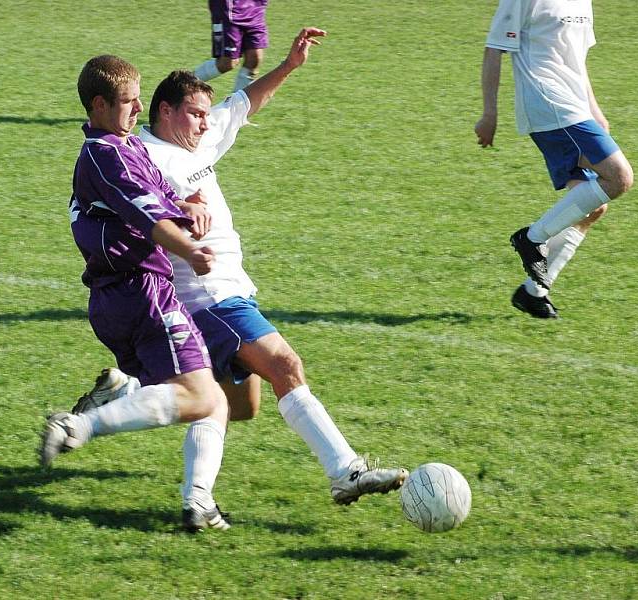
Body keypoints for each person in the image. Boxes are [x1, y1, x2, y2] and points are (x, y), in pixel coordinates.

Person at [73, 27, 408, 522]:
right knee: (285, 367)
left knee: (230, 405)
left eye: (208, 115)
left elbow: (242, 104)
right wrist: (186, 220)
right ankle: (346, 471)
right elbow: (143, 208)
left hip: (227, 292)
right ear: (165, 112)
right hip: (207, 297)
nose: (207, 123)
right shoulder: (146, 154)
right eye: (195, 113)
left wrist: (290, 65)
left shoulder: (196, 143)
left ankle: (169, 460)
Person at [39, 54, 232, 533]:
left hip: (121, 296)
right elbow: (147, 218)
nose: (138, 108)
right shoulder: (106, 155)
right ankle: (79, 425)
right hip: (143, 292)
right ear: (99, 104)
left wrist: (185, 205)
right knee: (201, 396)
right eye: (127, 101)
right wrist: (190, 250)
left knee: (211, 396)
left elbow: (155, 201)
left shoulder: (122, 146)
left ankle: (197, 501)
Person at [475, 0, 633, 318]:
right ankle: (531, 238)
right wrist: (490, 112)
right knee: (619, 177)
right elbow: (494, 49)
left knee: (591, 208)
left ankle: (534, 292)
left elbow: (577, 61)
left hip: (575, 107)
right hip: (547, 103)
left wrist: (595, 110)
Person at [193, 0, 269, 91]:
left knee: (254, 58)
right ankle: (178, 85)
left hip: (256, 7)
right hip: (231, 8)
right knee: (228, 62)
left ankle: (238, 103)